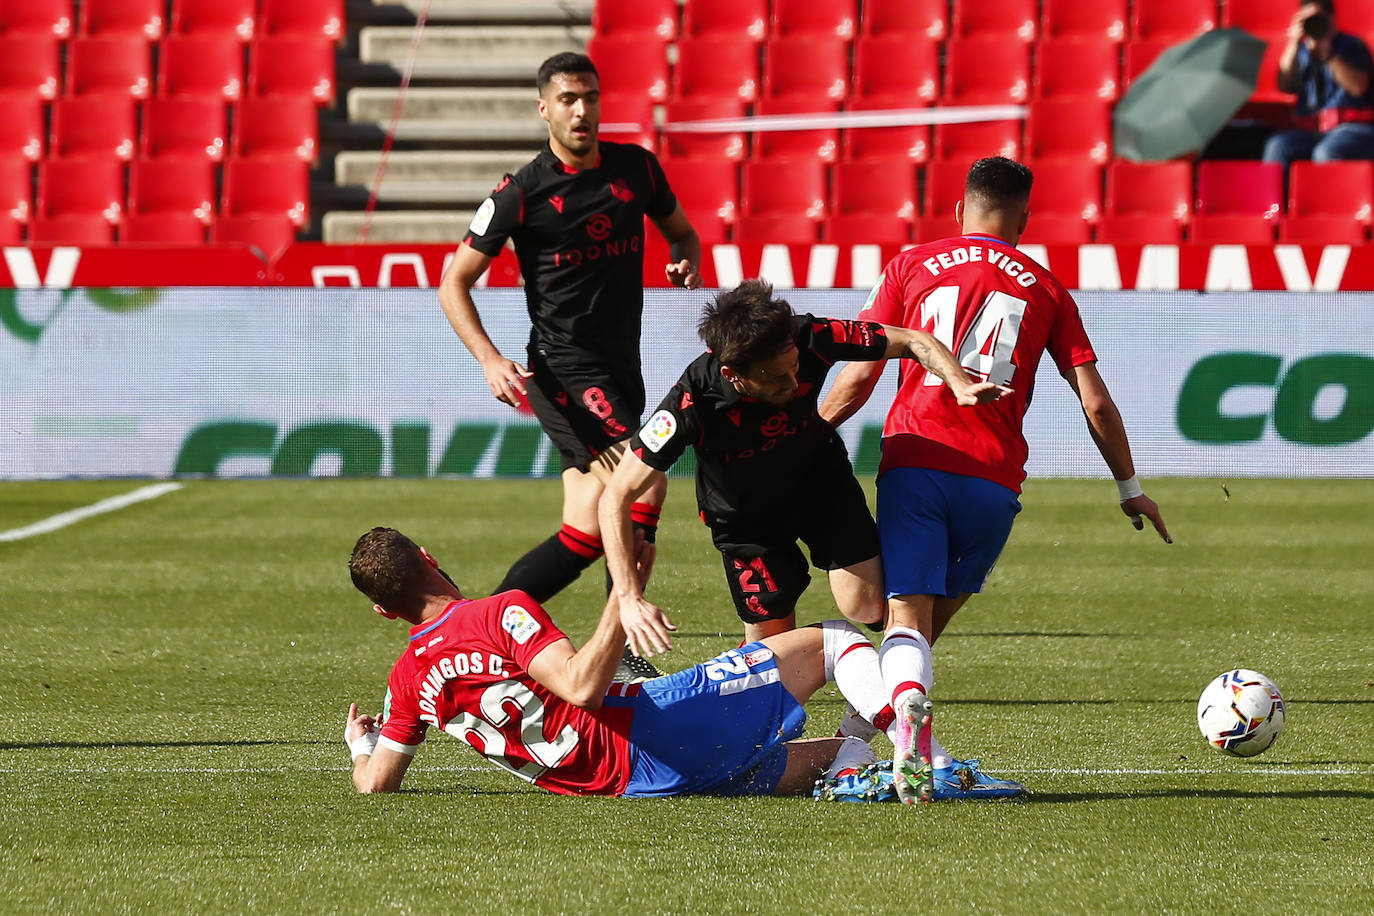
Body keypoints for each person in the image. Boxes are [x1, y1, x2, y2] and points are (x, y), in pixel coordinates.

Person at [819, 156, 1172, 803]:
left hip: (918, 460)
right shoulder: (1048, 289)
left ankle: (891, 737)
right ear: (1024, 221)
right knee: (923, 631)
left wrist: (808, 434)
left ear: (960, 209)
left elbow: (861, 371)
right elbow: (1095, 402)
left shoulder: (911, 265)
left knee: (905, 619)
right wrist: (1130, 489)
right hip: (993, 482)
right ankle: (856, 746)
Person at [596, 281, 1009, 801]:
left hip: (821, 488)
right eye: (778, 377)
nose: (796, 382)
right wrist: (627, 596)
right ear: (734, 374)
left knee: (867, 606)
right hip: (747, 526)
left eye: (797, 367)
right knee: (772, 659)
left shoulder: (810, 335)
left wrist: (958, 382)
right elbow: (614, 497)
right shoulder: (689, 401)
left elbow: (913, 339)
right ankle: (782, 746)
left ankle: (868, 723)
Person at [436, 52, 703, 679]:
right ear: (544, 109)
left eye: (590, 97)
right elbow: (453, 283)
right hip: (564, 371)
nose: (582, 111)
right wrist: (489, 359)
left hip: (621, 368)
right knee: (644, 481)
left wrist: (685, 261)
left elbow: (683, 234)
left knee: (584, 532)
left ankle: (475, 633)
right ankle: (627, 647)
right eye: (567, 100)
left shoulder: (637, 168)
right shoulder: (521, 192)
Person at [342, 526, 903, 799]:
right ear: (428, 557)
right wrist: (623, 595)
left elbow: (374, 785)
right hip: (656, 730)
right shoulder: (498, 612)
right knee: (834, 641)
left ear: (383, 611)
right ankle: (918, 748)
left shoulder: (407, 680)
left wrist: (360, 744)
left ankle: (860, 756)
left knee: (841, 756)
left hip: (637, 785)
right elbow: (581, 688)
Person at [1263, 1, 1374, 169]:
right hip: (1311, 131)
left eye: (1317, 18)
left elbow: (1358, 87)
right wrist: (1293, 43)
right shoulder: (1301, 50)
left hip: (1351, 129)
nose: (1313, 24)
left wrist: (1328, 54)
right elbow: (1284, 85)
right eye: (1307, 20)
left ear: (1331, 18)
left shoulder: (1353, 46)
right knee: (1277, 146)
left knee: (1325, 152)